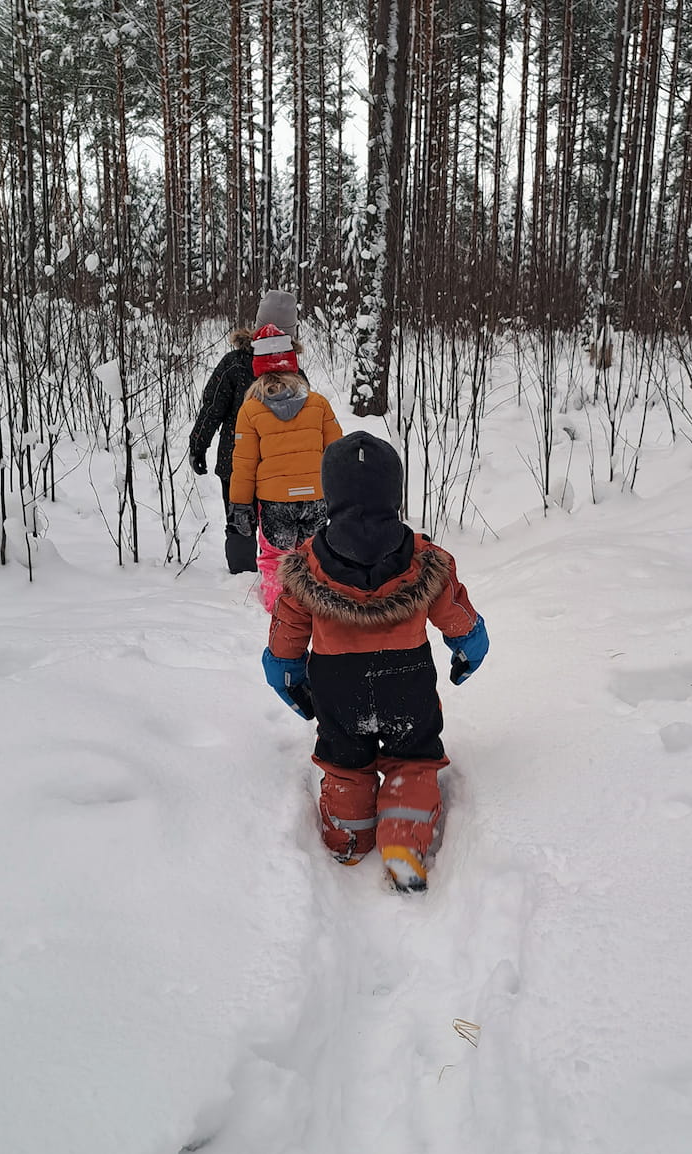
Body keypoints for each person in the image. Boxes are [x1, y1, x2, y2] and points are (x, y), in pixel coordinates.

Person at [260, 432, 489, 893]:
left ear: (330, 494)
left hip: (338, 687)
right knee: (413, 759)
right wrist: (470, 646)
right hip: (406, 681)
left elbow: (287, 637)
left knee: (345, 760)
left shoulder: (308, 564)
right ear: (395, 493)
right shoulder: (426, 560)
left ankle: (349, 832)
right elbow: (458, 618)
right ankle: (404, 841)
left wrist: (286, 673)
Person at [227, 324, 343, 611]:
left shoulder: (251, 410)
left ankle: (280, 611)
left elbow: (244, 465)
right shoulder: (318, 404)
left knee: (275, 559)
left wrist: (240, 505)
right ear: (292, 365)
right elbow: (337, 454)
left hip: (275, 502)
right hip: (316, 499)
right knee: (313, 557)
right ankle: (312, 609)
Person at [189, 289, 301, 574]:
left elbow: (212, 407)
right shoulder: (294, 373)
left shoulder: (234, 363)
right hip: (279, 468)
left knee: (239, 518)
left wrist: (198, 445)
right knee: (276, 522)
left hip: (235, 462)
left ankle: (243, 576)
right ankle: (272, 573)